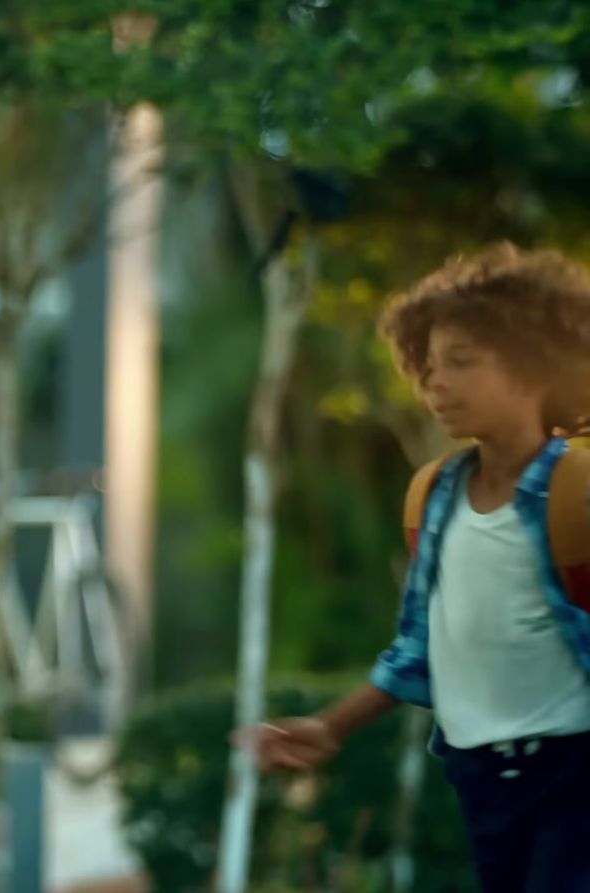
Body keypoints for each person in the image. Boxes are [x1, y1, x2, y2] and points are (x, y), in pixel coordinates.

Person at [233, 242, 590, 891]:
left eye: (461, 362)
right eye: (426, 367)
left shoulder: (577, 490)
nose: (435, 384)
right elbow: (418, 647)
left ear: (539, 367)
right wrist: (328, 725)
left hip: (573, 768)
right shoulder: (434, 495)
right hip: (479, 775)